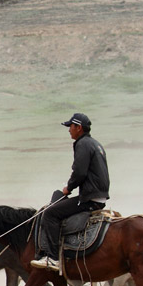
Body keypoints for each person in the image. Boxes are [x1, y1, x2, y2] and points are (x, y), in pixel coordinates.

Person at [31, 112, 110, 271]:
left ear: (78, 128)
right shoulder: (95, 144)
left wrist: (69, 188)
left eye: (70, 127)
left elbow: (80, 172)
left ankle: (53, 258)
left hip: (89, 198)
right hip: (98, 195)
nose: (69, 130)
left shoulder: (82, 144)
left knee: (50, 214)